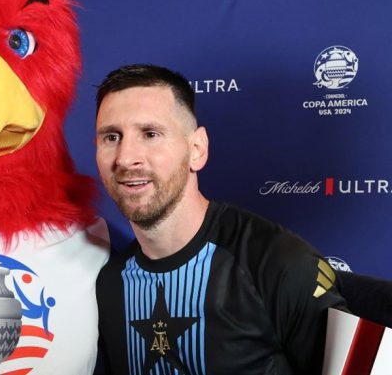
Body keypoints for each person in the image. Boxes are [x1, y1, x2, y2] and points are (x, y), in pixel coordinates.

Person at [93, 64, 346, 375]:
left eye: (150, 134)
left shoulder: (278, 263)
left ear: (197, 149)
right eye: (111, 137)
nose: (126, 157)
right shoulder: (108, 284)